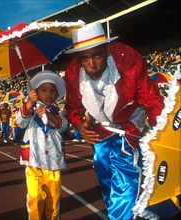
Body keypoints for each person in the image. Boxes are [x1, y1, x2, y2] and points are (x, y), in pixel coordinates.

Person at [64, 22, 164, 220]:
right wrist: (80, 124)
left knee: (125, 180)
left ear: (107, 49)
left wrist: (161, 130)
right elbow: (73, 109)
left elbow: (150, 98)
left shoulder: (128, 60)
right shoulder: (72, 73)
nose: (92, 64)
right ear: (78, 59)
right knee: (107, 181)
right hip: (99, 131)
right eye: (85, 59)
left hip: (128, 126)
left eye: (97, 55)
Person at [16, 70, 68, 220]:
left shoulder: (59, 112)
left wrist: (48, 114)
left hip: (53, 162)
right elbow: (20, 122)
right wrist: (30, 103)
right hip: (33, 161)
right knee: (35, 198)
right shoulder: (30, 110)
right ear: (35, 92)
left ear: (57, 94)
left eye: (52, 91)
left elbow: (63, 126)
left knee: (53, 198)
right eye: (43, 90)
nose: (48, 94)